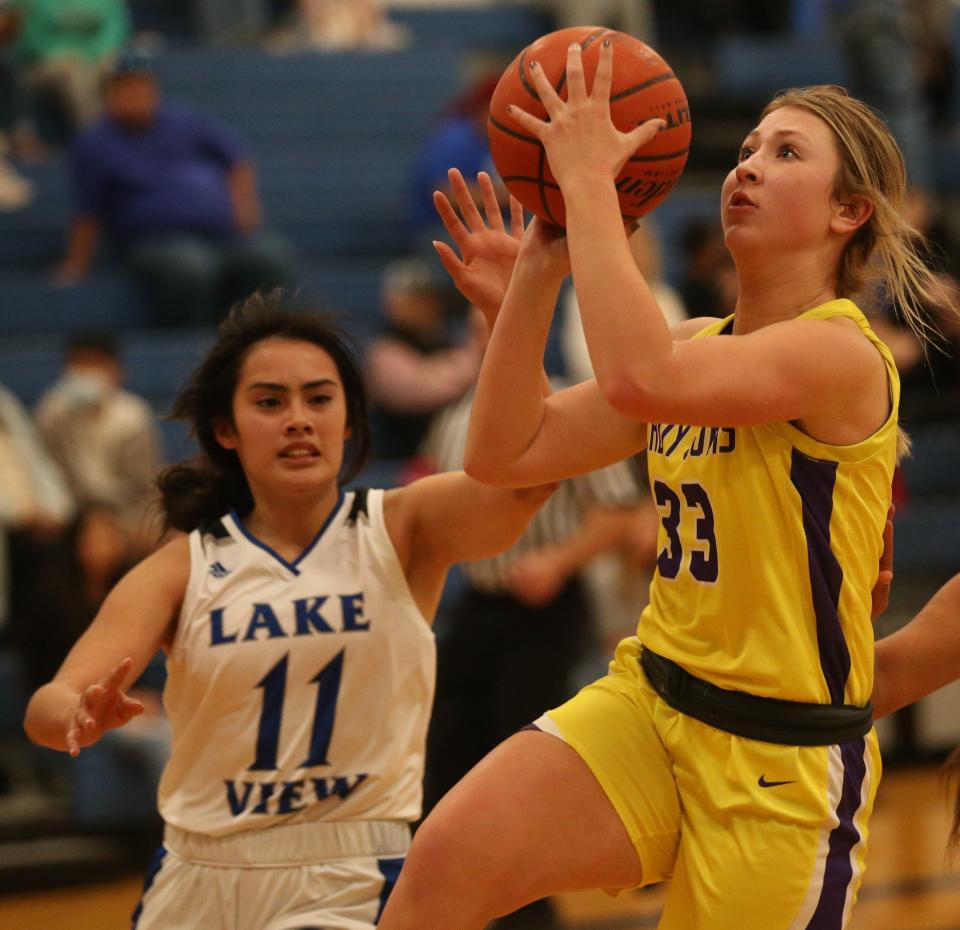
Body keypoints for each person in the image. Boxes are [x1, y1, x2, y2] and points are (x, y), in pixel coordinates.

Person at [377, 43, 950, 930]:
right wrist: (536, 268)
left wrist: (591, 187)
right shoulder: (690, 343)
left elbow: (638, 380)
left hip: (778, 761)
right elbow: (505, 451)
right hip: (651, 700)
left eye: (786, 153)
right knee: (439, 874)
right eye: (749, 148)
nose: (750, 166)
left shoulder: (841, 353)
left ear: (849, 212)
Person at [22, 290, 554, 930]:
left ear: (350, 421)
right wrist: (76, 715)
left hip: (352, 871)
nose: (298, 418)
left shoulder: (403, 526)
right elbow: (48, 705)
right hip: (197, 871)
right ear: (228, 429)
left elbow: (531, 474)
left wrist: (508, 312)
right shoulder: (184, 565)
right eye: (270, 402)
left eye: (319, 398)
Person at [55, 51, 297, 326]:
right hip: (155, 239)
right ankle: (193, 346)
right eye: (125, 88)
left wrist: (245, 210)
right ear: (108, 95)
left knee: (272, 256)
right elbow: (87, 209)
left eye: (141, 86)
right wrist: (76, 265)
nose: (135, 94)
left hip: (222, 233)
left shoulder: (185, 120)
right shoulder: (94, 143)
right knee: (191, 267)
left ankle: (255, 340)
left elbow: (238, 158)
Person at [34, 331, 162, 556]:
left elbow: (144, 484)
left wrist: (122, 521)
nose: (86, 374)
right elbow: (46, 474)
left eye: (94, 365)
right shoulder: (52, 414)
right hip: (71, 513)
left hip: (125, 511)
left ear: (116, 371)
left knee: (144, 534)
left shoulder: (133, 416)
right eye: (79, 365)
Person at [364, 256, 484, 461]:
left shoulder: (445, 339)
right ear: (392, 302)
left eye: (427, 297)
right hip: (401, 464)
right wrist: (471, 361)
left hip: (448, 457)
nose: (423, 305)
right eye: (413, 299)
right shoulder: (383, 348)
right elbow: (422, 387)